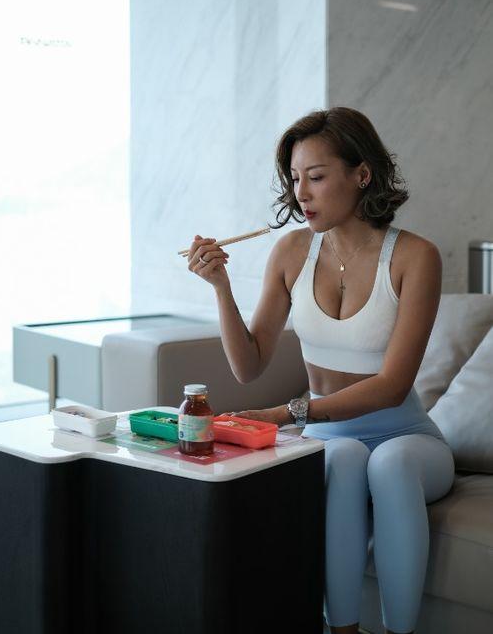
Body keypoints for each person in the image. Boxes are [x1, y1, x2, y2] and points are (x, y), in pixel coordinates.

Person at [185, 107, 455, 634]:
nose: (301, 194)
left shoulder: (415, 256)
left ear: (362, 174)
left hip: (407, 434)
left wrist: (286, 414)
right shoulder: (291, 252)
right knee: (345, 457)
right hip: (329, 439)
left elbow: (392, 387)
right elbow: (248, 365)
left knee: (391, 463)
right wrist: (220, 287)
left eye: (315, 176)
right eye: (294, 179)